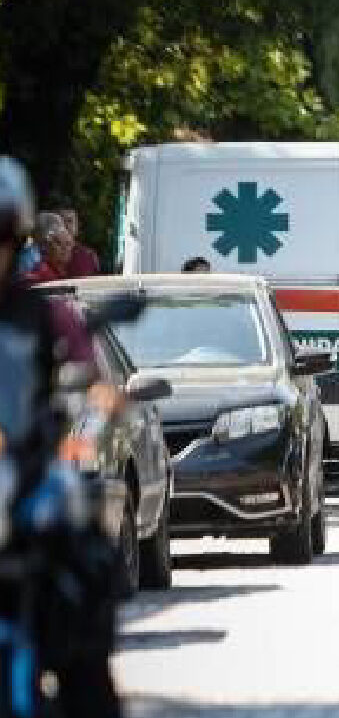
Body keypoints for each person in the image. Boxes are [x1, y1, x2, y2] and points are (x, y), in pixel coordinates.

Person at [0, 157, 122, 718]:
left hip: (27, 471)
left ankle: (89, 686)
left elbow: (96, 388)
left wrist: (83, 437)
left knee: (82, 538)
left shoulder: (47, 315)